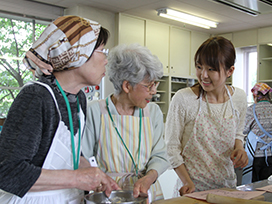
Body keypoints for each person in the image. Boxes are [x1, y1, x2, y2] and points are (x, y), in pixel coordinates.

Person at [0, 15, 120, 203]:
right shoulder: (36, 97)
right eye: (101, 51)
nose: (106, 60)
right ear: (77, 53)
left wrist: (93, 172)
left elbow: (69, 153)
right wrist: (77, 178)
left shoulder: (79, 98)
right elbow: (7, 172)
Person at [82, 43, 170, 202]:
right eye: (149, 85)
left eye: (155, 84)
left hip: (147, 192)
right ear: (127, 86)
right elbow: (84, 160)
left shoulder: (153, 112)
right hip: (109, 194)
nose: (154, 91)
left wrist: (149, 177)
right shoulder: (95, 112)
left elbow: (160, 156)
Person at [165, 36, 248, 197]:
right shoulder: (184, 99)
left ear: (230, 71)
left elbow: (238, 133)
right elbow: (171, 148)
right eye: (199, 67)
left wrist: (239, 148)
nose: (203, 75)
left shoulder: (239, 98)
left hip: (227, 188)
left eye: (211, 69)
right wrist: (186, 181)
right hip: (192, 190)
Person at [242, 83, 272, 184]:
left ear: (255, 96)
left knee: (255, 185)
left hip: (256, 155)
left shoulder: (251, 110)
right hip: (271, 154)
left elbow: (243, 130)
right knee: (268, 185)